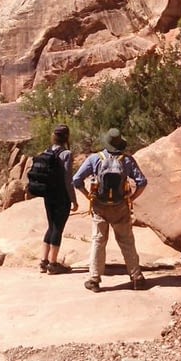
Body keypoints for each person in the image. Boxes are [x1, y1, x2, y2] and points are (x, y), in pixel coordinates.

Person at [72, 128, 149, 291]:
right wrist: (132, 198)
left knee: (98, 241)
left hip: (100, 206)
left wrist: (88, 196)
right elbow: (142, 182)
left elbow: (76, 179)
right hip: (120, 206)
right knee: (127, 241)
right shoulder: (127, 160)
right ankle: (137, 278)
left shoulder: (95, 159)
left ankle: (94, 279)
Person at [30, 124, 78, 273]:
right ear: (66, 137)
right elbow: (68, 179)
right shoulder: (66, 154)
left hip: (48, 194)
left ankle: (43, 262)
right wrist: (73, 199)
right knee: (58, 228)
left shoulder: (46, 151)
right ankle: (53, 264)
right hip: (61, 196)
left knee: (51, 226)